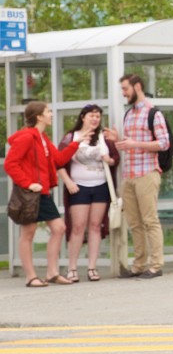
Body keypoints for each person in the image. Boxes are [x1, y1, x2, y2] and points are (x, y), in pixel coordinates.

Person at [5, 101, 92, 287]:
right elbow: (10, 164)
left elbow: (59, 159)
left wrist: (76, 143)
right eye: (48, 111)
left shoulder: (43, 137)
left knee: (59, 228)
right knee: (28, 232)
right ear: (39, 116)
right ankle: (31, 277)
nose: (52, 114)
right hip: (29, 193)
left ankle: (52, 273)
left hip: (43, 192)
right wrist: (28, 183)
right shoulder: (27, 137)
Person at [110, 73, 169, 278]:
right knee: (134, 223)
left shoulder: (153, 113)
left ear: (137, 87)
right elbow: (129, 144)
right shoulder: (129, 114)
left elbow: (164, 143)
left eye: (125, 89)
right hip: (129, 175)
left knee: (150, 220)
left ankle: (156, 265)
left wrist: (134, 144)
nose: (124, 93)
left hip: (147, 173)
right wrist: (117, 139)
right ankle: (139, 265)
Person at [58, 104, 119, 282]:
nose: (95, 119)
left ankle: (92, 267)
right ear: (83, 117)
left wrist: (109, 159)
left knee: (95, 226)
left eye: (98, 116)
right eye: (91, 116)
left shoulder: (103, 137)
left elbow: (115, 158)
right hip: (78, 187)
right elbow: (59, 161)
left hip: (100, 185)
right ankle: (72, 268)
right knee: (78, 227)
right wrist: (68, 182)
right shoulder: (72, 137)